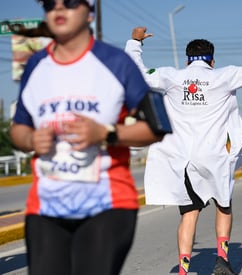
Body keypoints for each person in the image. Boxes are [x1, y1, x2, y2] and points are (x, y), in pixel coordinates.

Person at [9, 1, 168, 274]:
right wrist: (31, 140)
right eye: (50, 4)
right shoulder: (36, 64)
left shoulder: (116, 63)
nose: (59, 10)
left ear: (90, 11)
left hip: (106, 205)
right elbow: (18, 128)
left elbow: (157, 127)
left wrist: (106, 133)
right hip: (46, 206)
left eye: (70, 3)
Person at [125, 22, 242, 275]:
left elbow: (136, 72)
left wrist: (135, 42)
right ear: (212, 61)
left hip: (182, 158)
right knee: (223, 205)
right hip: (214, 155)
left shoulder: (171, 76)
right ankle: (222, 260)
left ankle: (184, 269)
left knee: (190, 213)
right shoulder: (224, 75)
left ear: (187, 61)